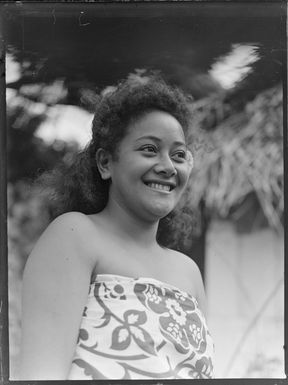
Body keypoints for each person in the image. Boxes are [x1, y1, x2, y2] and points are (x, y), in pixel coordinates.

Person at [19, 76, 214, 380]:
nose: (168, 166)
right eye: (149, 149)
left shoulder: (189, 272)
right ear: (105, 163)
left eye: (179, 155)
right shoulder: (75, 236)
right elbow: (39, 376)